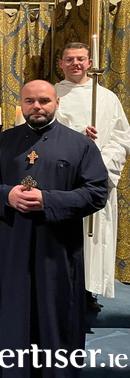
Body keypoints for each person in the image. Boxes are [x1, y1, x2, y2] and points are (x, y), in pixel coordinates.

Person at [0, 80, 108, 378]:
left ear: (57, 103)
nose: (37, 107)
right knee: (11, 308)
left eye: (44, 101)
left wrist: (48, 199)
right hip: (11, 243)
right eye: (29, 101)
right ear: (21, 104)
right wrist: (6, 195)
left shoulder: (80, 145)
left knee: (54, 310)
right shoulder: (5, 141)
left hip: (56, 246)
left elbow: (97, 192)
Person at [54, 42, 130, 305]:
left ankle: (88, 292)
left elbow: (121, 139)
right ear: (60, 64)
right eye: (70, 59)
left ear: (89, 63)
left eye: (81, 59)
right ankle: (60, 288)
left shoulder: (106, 98)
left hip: (96, 179)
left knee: (94, 237)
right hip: (63, 181)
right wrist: (77, 142)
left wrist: (98, 162)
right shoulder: (51, 95)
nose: (76, 64)